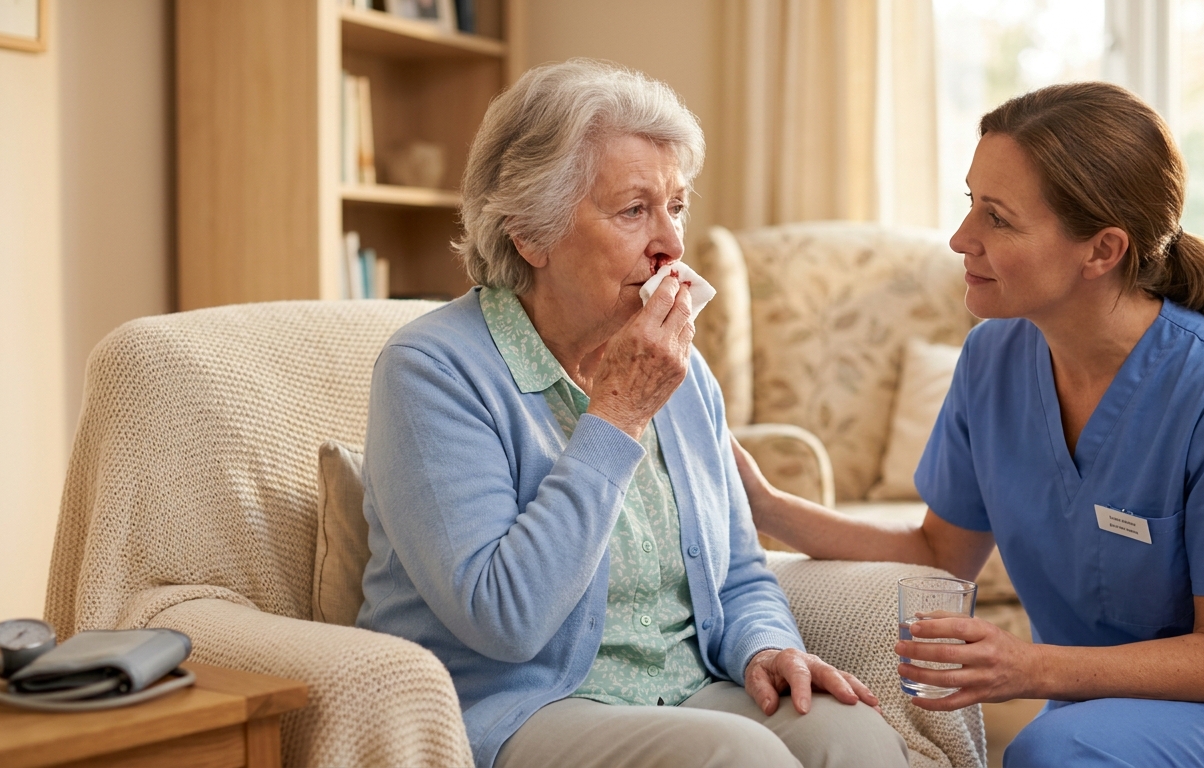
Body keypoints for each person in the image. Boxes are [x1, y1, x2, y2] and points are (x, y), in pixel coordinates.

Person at [737, 81, 1204, 768]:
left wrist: (1028, 667)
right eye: (971, 203)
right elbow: (937, 554)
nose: (962, 238)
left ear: (1102, 250)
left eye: (998, 218)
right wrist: (760, 501)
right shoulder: (991, 360)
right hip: (1103, 717)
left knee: (1049, 752)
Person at [356, 59, 908, 768]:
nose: (672, 246)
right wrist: (616, 416)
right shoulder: (432, 372)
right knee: (738, 757)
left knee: (855, 736)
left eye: (675, 206)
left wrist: (767, 645)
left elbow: (739, 570)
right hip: (520, 706)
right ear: (530, 231)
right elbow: (506, 619)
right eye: (633, 210)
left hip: (681, 689)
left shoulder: (677, 366)